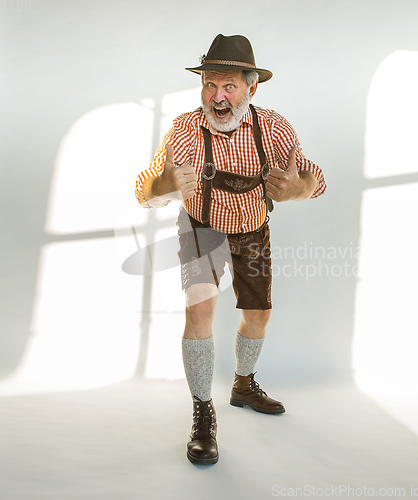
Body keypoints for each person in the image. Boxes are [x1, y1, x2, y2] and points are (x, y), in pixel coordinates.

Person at [135, 34, 326, 465]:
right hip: (202, 226)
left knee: (257, 314)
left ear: (251, 88)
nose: (217, 97)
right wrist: (164, 185)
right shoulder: (185, 128)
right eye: (209, 85)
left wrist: (298, 188)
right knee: (199, 307)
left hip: (253, 230)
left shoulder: (273, 128)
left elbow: (316, 178)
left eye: (229, 87)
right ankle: (203, 413)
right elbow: (144, 190)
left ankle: (243, 384)